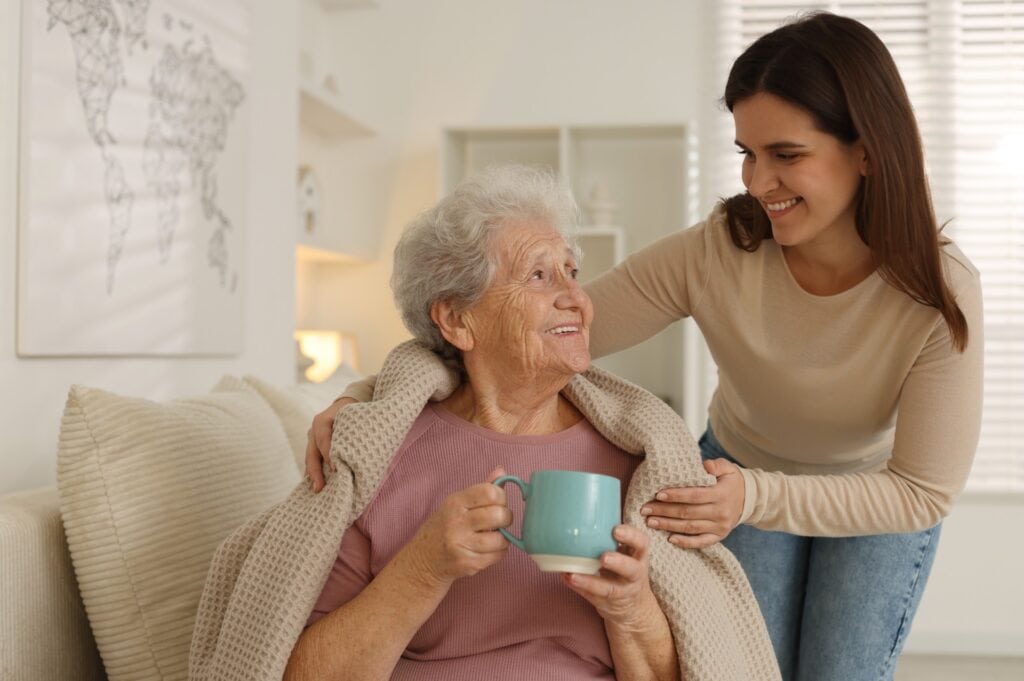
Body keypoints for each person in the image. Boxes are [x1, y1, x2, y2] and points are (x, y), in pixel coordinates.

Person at [305, 12, 983, 681]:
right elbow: (546, 331)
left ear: (866, 150)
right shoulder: (721, 251)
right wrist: (366, 399)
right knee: (747, 666)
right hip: (733, 472)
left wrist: (756, 496)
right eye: (748, 153)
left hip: (870, 491)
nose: (756, 182)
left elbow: (919, 492)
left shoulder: (938, 291)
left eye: (787, 155)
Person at [284, 164, 682, 681]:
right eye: (539, 276)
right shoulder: (380, 455)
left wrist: (632, 609)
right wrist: (423, 568)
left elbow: (685, 669)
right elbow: (300, 673)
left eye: (571, 272)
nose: (577, 300)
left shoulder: (637, 455)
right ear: (456, 320)